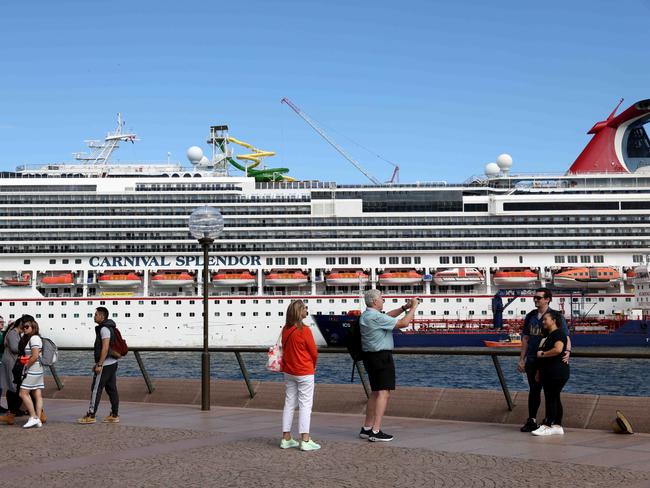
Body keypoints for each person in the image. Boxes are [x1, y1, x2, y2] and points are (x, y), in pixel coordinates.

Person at [359, 290, 418, 442]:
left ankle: (366, 428)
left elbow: (388, 316)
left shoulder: (367, 315)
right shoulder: (375, 316)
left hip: (370, 357)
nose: (383, 300)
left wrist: (403, 308)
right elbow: (403, 324)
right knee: (384, 393)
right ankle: (376, 430)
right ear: (374, 302)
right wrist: (414, 307)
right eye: (381, 299)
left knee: (375, 392)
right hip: (381, 357)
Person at [517, 288, 571, 432]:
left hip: (549, 360)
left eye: (538, 298)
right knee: (534, 390)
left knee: (551, 392)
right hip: (533, 359)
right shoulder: (530, 316)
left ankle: (552, 422)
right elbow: (526, 338)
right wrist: (522, 359)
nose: (535, 300)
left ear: (547, 299)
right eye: (534, 297)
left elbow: (565, 336)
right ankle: (532, 420)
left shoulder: (555, 316)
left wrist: (568, 352)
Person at [280, 300, 320, 451]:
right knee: (305, 405)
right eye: (305, 308)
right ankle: (305, 439)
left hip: (289, 371)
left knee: (289, 404)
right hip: (304, 371)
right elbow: (314, 352)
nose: (307, 310)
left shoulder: (285, 329)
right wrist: (313, 364)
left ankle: (286, 438)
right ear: (299, 311)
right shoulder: (305, 330)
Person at [78, 307, 120, 424]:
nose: (94, 316)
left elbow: (105, 347)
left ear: (102, 316)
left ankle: (91, 415)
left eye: (96, 314)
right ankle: (114, 414)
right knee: (112, 389)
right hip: (112, 362)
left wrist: (99, 364)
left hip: (106, 364)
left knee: (96, 389)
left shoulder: (104, 329)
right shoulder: (109, 327)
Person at [531, 310, 570, 436]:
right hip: (549, 372)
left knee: (551, 397)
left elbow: (558, 349)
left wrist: (543, 354)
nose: (543, 322)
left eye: (545, 320)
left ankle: (547, 424)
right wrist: (538, 372)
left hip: (557, 371)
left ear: (553, 321)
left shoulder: (558, 334)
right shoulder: (547, 336)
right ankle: (557, 425)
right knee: (554, 397)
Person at [0, 316, 31, 425]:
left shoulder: (15, 333)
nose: (27, 327)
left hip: (13, 362)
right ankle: (12, 411)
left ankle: (13, 411)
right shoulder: (13, 333)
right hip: (10, 363)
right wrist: (26, 349)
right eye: (26, 325)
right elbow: (14, 348)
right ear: (21, 324)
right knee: (13, 386)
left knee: (14, 387)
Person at [17, 319, 45, 428]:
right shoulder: (35, 338)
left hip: (33, 368)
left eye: (27, 326)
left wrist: (25, 367)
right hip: (38, 368)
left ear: (33, 327)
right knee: (37, 393)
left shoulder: (34, 338)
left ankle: (33, 417)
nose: (24, 328)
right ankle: (38, 419)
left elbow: (35, 356)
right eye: (23, 327)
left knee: (23, 393)